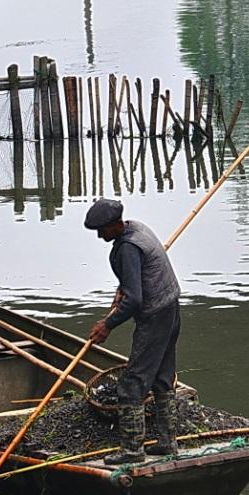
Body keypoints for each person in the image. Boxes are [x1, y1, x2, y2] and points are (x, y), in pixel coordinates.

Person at [84, 198, 182, 464]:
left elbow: (135, 300)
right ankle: (167, 444)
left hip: (154, 316)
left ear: (116, 225)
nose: (99, 235)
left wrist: (108, 325)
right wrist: (122, 289)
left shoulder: (128, 247)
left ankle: (132, 451)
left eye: (102, 230)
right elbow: (132, 282)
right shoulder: (138, 228)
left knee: (131, 385)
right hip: (171, 308)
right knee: (162, 378)